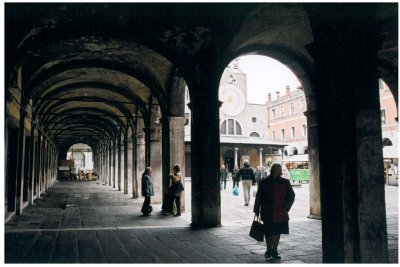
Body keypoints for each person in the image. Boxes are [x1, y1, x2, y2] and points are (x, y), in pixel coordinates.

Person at [253, 163, 295, 260]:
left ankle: (275, 250)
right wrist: (256, 209)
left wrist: (286, 208)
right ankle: (268, 249)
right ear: (272, 170)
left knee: (277, 232)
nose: (276, 171)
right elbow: (259, 197)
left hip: (280, 212)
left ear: (280, 171)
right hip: (267, 211)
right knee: (268, 231)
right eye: (275, 169)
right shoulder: (264, 182)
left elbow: (291, 196)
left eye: (278, 169)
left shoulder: (285, 182)